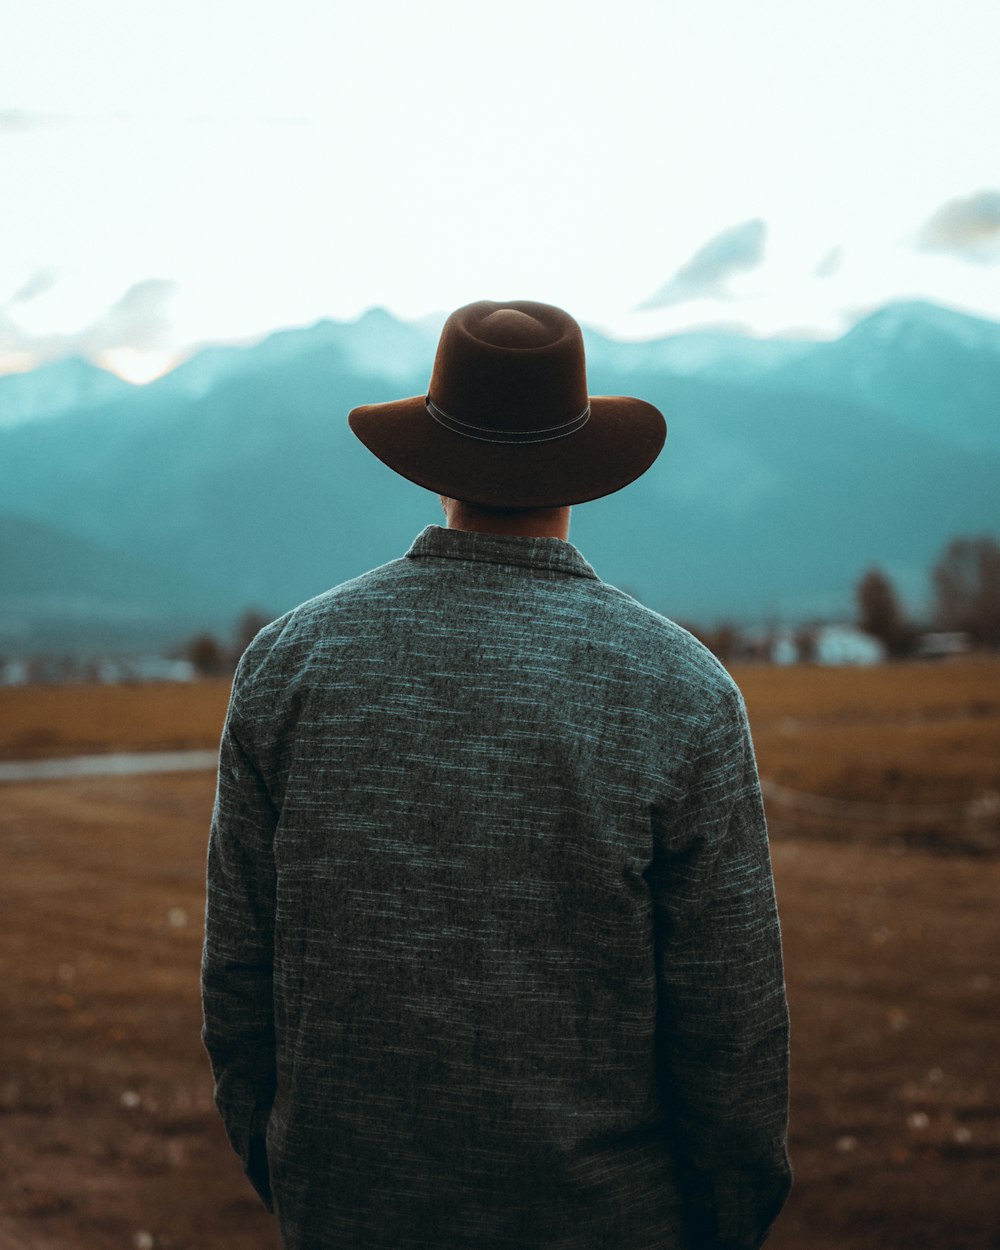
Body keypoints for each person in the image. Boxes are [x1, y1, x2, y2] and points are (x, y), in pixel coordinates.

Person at [201, 299, 791, 1250]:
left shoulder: (288, 664)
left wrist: (294, 1173)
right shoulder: (682, 691)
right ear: (584, 468)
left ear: (432, 460)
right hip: (607, 1220)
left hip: (344, 1214)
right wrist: (722, 1222)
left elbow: (239, 980)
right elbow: (733, 1027)